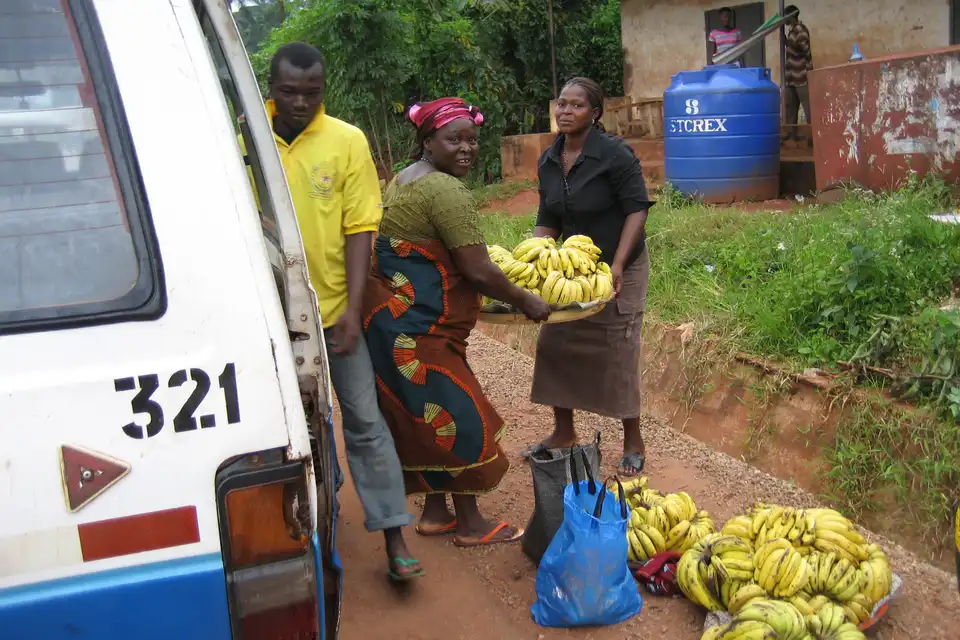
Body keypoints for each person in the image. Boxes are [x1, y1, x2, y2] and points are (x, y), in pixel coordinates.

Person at [250, 42, 421, 581]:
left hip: (334, 313)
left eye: (311, 92)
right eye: (288, 92)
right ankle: (316, 521)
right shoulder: (245, 144)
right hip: (272, 320)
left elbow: (359, 229)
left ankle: (393, 533)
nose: (300, 102)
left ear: (324, 89)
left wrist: (351, 309)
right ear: (270, 90)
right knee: (297, 428)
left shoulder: (347, 141)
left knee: (365, 421)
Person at [362, 98, 551, 547]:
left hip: (394, 324)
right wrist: (527, 300)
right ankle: (470, 523)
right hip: (420, 332)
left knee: (423, 419)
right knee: (461, 416)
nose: (466, 149)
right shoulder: (444, 190)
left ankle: (434, 513)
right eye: (454, 139)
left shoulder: (405, 180)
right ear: (427, 141)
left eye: (472, 140)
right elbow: (477, 269)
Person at [524, 77, 654, 477]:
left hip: (621, 266)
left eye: (576, 106)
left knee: (619, 347)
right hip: (575, 269)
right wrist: (536, 258)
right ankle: (563, 431)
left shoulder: (614, 155)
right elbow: (548, 218)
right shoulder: (549, 159)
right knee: (555, 341)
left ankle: (633, 440)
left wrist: (616, 264)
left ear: (594, 113)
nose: (565, 112)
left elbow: (637, 209)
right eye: (561, 104)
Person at [783, 5, 814, 143]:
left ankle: (812, 136)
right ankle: (791, 135)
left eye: (786, 17)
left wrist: (788, 43)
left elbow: (805, 51)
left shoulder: (800, 30)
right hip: (791, 77)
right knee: (791, 108)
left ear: (792, 16)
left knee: (809, 109)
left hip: (801, 75)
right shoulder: (792, 31)